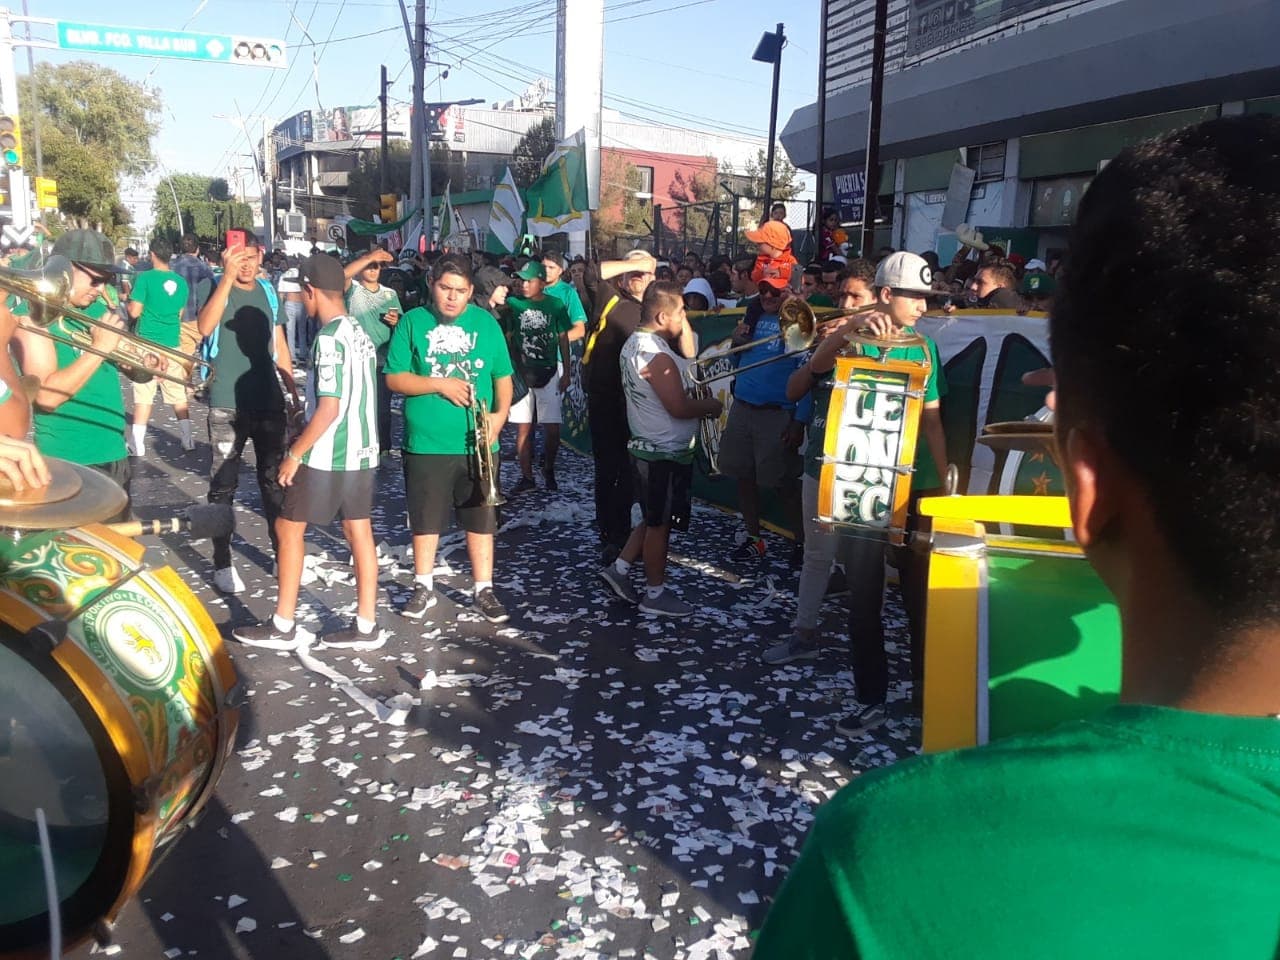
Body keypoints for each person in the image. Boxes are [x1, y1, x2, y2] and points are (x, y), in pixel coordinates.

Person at [755, 114, 1280, 960]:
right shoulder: (840, 337)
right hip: (841, 480)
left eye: (909, 298)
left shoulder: (888, 853)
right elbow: (794, 383)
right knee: (843, 584)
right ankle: (839, 658)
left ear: (1086, 483)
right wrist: (833, 344)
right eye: (894, 295)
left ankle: (888, 681)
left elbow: (925, 422)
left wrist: (944, 475)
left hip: (904, 493)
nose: (903, 308)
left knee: (905, 596)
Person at [233, 254, 381, 647]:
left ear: (311, 291)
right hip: (362, 451)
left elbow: (331, 408)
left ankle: (283, 624)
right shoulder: (359, 332)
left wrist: (295, 452)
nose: (301, 300)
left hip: (328, 453)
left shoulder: (328, 339)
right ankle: (366, 625)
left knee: (287, 527)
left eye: (302, 293)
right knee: (359, 532)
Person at [384, 257, 514, 624]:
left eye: (460, 291)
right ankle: (423, 584)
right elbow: (394, 378)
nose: (452, 298)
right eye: (445, 289)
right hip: (426, 441)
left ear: (471, 292)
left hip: (476, 444)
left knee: (481, 519)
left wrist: (499, 417)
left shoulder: (486, 323)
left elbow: (503, 376)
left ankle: (483, 588)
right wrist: (439, 383)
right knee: (426, 519)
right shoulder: (413, 322)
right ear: (432, 284)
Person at [765, 260, 878, 663]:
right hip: (820, 460)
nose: (845, 303)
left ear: (877, 301)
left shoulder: (885, 345)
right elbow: (794, 390)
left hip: (867, 468)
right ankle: (804, 632)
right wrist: (824, 347)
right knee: (816, 554)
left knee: (867, 563)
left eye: (855, 297)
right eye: (843, 295)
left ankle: (867, 650)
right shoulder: (827, 342)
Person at [598, 281, 722, 616]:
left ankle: (620, 569)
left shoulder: (639, 344)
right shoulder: (655, 354)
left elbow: (686, 374)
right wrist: (712, 407)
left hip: (655, 448)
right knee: (659, 526)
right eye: (681, 312)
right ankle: (655, 593)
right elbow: (680, 407)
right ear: (663, 315)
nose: (686, 317)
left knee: (654, 519)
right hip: (661, 453)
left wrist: (687, 345)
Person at [197, 233, 296, 595]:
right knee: (223, 486)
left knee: (275, 485)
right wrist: (224, 278)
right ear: (227, 258)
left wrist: (293, 394)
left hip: (269, 399)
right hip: (226, 401)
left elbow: (280, 345)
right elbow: (203, 328)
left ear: (261, 256)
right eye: (239, 257)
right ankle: (221, 562)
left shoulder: (269, 292)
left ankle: (281, 553)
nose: (246, 264)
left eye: (252, 256)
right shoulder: (216, 286)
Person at [12, 229, 134, 521]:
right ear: (64, 268)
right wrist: (100, 348)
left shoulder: (94, 308)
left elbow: (117, 367)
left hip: (115, 452)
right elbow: (47, 397)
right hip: (72, 460)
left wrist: (138, 362)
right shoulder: (35, 314)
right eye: (95, 279)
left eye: (107, 280)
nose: (100, 288)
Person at [717, 278, 806, 563]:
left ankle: (802, 543)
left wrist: (799, 420)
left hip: (777, 412)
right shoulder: (752, 314)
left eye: (775, 290)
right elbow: (736, 363)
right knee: (743, 476)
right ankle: (754, 538)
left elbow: (806, 372)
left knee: (783, 483)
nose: (767, 294)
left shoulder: (797, 320)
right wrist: (737, 342)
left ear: (789, 291)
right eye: (764, 288)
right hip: (743, 408)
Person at [581, 250, 657, 562]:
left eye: (645, 272)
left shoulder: (654, 311)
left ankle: (627, 534)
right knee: (609, 470)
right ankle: (611, 536)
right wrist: (637, 263)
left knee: (632, 474)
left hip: (639, 404)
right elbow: (592, 272)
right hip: (606, 400)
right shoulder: (610, 297)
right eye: (633, 271)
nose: (639, 277)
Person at [503, 261, 571, 494]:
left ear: (541, 283)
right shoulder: (513, 304)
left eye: (528, 280)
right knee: (523, 429)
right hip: (522, 375)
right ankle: (526, 476)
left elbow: (563, 338)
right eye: (521, 280)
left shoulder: (556, 305)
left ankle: (548, 468)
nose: (523, 285)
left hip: (549, 371)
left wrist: (567, 372)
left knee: (552, 429)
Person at [126, 237, 193, 455]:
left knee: (143, 393)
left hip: (147, 342)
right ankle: (188, 438)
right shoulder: (181, 282)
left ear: (152, 254)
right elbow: (180, 314)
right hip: (172, 342)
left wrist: (129, 301)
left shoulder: (144, 278)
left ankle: (138, 444)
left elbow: (134, 312)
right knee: (177, 393)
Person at [343, 248, 402, 457]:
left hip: (382, 359)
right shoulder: (354, 290)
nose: (372, 270)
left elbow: (399, 320)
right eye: (369, 266)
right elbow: (343, 276)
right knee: (358, 404)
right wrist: (368, 257)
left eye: (376, 266)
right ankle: (359, 445)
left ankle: (384, 447)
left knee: (383, 409)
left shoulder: (389, 294)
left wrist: (396, 321)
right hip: (357, 358)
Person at [540, 250, 589, 342]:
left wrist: (552, 340)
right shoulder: (531, 288)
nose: (546, 270)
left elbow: (579, 330)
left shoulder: (568, 292)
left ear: (560, 270)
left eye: (551, 267)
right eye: (543, 267)